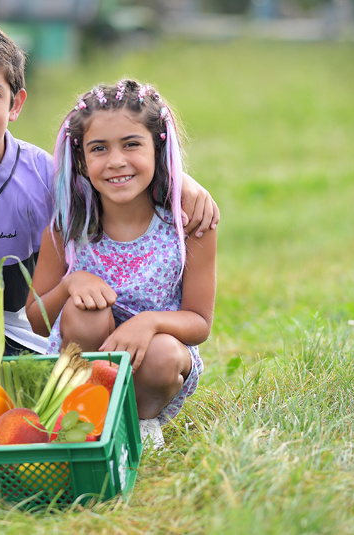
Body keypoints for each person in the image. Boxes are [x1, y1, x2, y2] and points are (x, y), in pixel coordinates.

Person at [0, 23, 219, 354]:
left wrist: (181, 182)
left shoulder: (49, 177)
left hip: (23, 337)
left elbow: (116, 178)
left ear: (16, 104)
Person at [27, 79, 217, 445]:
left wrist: (149, 322)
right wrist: (70, 284)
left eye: (132, 144)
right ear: (81, 159)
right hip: (85, 359)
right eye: (99, 148)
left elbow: (200, 323)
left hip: (157, 359)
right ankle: (87, 415)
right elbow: (36, 320)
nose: (116, 161)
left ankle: (141, 424)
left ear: (157, 147)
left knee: (162, 352)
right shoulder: (67, 228)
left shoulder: (187, 225)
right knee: (85, 313)